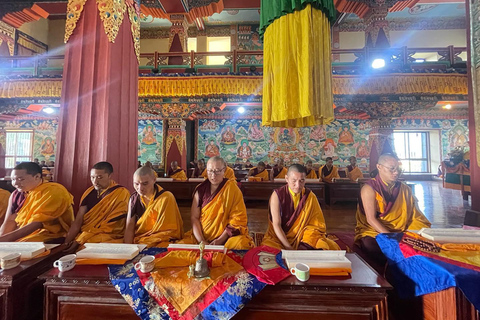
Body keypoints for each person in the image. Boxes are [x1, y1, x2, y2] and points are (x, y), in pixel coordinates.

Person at [355, 154, 431, 265]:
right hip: (374, 231)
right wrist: (391, 239)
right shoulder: (369, 189)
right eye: (392, 169)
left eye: (398, 169)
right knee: (373, 247)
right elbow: (371, 219)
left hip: (401, 229)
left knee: (425, 244)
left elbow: (414, 216)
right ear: (379, 167)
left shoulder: (404, 189)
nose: (396, 172)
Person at [180, 156, 254, 249]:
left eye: (217, 171)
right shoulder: (200, 190)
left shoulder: (232, 189)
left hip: (227, 237)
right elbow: (194, 217)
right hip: (201, 236)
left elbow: (237, 220)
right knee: (181, 247)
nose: (213, 175)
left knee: (241, 244)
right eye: (210, 171)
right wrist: (202, 241)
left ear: (224, 170)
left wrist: (220, 241)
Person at [261, 164, 340, 250]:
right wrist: (288, 247)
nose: (298, 185)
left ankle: (304, 248)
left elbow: (315, 225)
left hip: (302, 236)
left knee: (323, 245)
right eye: (294, 181)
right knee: (268, 250)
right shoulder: (277, 196)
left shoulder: (310, 196)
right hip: (279, 238)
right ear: (286, 179)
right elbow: (276, 225)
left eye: (301, 181)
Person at [0, 162, 74, 243]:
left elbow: (37, 223)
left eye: (20, 179)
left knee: (24, 245)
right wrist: (2, 239)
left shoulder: (53, 191)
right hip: (21, 233)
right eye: (13, 179)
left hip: (49, 234)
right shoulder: (16, 195)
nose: (15, 183)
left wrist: (6, 240)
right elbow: (9, 220)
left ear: (37, 177)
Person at [64, 162, 130, 247]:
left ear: (110, 176)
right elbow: (78, 222)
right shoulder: (88, 193)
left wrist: (84, 238)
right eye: (92, 177)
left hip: (108, 236)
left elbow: (115, 225)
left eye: (99, 177)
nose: (95, 181)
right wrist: (66, 243)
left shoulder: (121, 193)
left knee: (89, 245)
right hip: (85, 235)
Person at [124, 166, 184, 247]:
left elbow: (171, 231)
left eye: (145, 184)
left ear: (154, 180)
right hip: (140, 241)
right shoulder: (134, 198)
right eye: (136, 184)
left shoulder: (166, 197)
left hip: (161, 240)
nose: (140, 188)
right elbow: (129, 226)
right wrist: (128, 248)